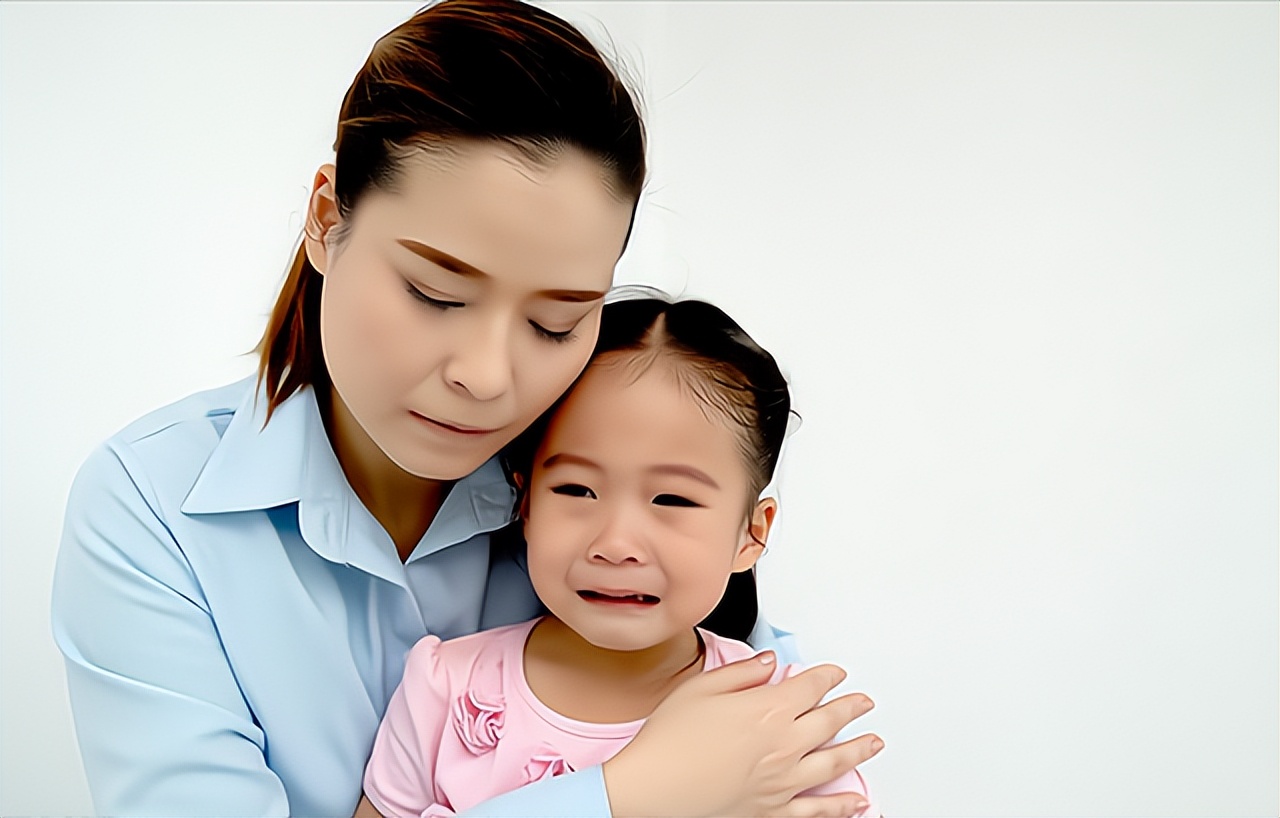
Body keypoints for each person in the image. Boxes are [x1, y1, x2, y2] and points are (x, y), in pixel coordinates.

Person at [50, 1, 882, 816]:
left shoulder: (612, 486)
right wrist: (627, 797)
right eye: (435, 293)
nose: (487, 377)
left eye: (555, 322)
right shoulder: (153, 508)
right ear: (325, 218)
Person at [355, 296, 879, 818]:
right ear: (527, 503)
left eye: (672, 499)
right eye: (578, 490)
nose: (615, 544)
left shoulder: (780, 722)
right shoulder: (444, 688)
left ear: (752, 533)